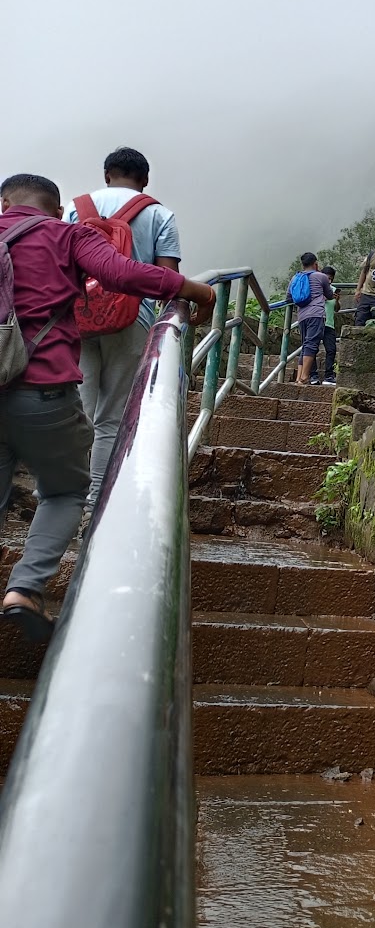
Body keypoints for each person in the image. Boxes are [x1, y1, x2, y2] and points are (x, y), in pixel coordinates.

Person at [0, 172, 215, 642]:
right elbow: (123, 274)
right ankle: (24, 589)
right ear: (56, 209)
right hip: (44, 392)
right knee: (64, 492)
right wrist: (195, 289)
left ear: (4, 205)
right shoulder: (67, 235)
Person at [66, 146, 181, 510]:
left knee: (77, 411)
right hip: (133, 319)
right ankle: (94, 504)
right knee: (111, 418)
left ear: (106, 175)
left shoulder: (74, 209)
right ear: (145, 180)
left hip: (77, 318)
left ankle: (62, 497)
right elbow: (168, 276)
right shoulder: (159, 213)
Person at [291, 253, 335, 386]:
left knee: (306, 344)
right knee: (311, 344)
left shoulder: (296, 278)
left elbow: (289, 297)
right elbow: (329, 295)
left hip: (302, 316)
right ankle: (305, 376)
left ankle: (299, 377)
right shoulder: (321, 277)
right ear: (315, 264)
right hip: (316, 314)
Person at [319, 262, 338, 385]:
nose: (329, 281)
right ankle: (313, 376)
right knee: (312, 349)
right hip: (317, 321)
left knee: (331, 350)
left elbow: (337, 309)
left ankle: (329, 376)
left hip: (329, 324)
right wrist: (325, 297)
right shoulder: (316, 289)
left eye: (331, 279)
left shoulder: (334, 290)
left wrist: (337, 300)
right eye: (327, 278)